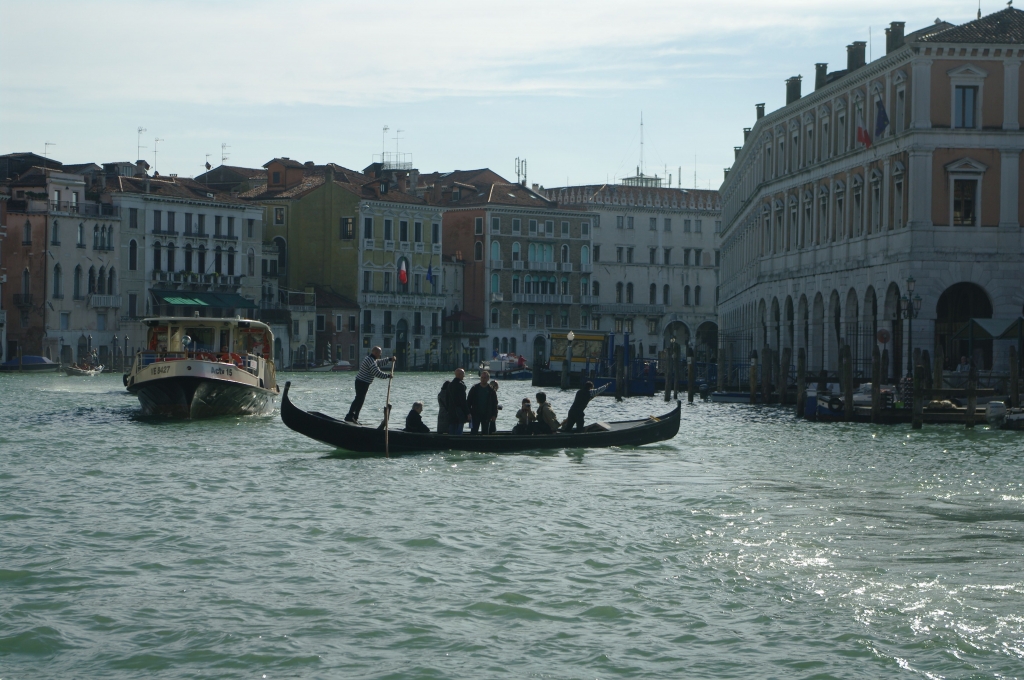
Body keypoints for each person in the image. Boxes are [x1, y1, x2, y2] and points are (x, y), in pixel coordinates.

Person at [345, 346, 394, 424]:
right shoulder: (370, 360)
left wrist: (389, 359)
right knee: (358, 399)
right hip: (361, 382)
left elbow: (379, 362)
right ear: (376, 353)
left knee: (360, 400)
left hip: (364, 382)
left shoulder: (372, 360)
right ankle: (350, 416)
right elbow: (376, 372)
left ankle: (355, 417)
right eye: (379, 353)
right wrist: (387, 376)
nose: (380, 355)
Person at [446, 368, 469, 435]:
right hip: (459, 412)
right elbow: (463, 401)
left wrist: (448, 409)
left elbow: (447, 399)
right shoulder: (461, 385)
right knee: (459, 430)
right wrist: (467, 412)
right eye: (463, 374)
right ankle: (458, 440)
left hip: (451, 411)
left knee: (452, 429)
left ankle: (451, 440)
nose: (464, 376)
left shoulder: (450, 385)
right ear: (459, 375)